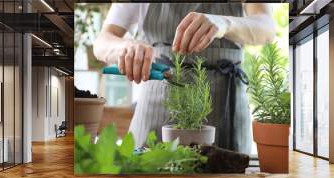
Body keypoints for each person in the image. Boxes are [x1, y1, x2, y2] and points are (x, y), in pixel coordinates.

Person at [94, 3, 275, 154]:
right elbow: (102, 41)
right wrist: (126, 47)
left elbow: (267, 27)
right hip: (156, 103)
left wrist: (225, 22)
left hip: (226, 102)